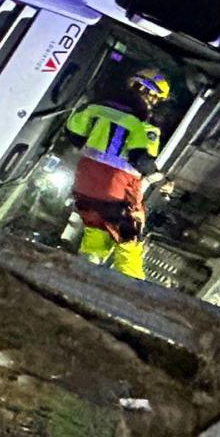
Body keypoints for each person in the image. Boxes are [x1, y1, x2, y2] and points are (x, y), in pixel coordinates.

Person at [62, 67, 171, 280]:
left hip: (85, 183)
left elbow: (73, 133)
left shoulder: (95, 108)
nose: (154, 104)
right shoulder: (142, 125)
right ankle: (131, 296)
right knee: (129, 245)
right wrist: (163, 181)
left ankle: (79, 281)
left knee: (95, 235)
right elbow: (140, 159)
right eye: (156, 99)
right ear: (149, 94)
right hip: (118, 190)